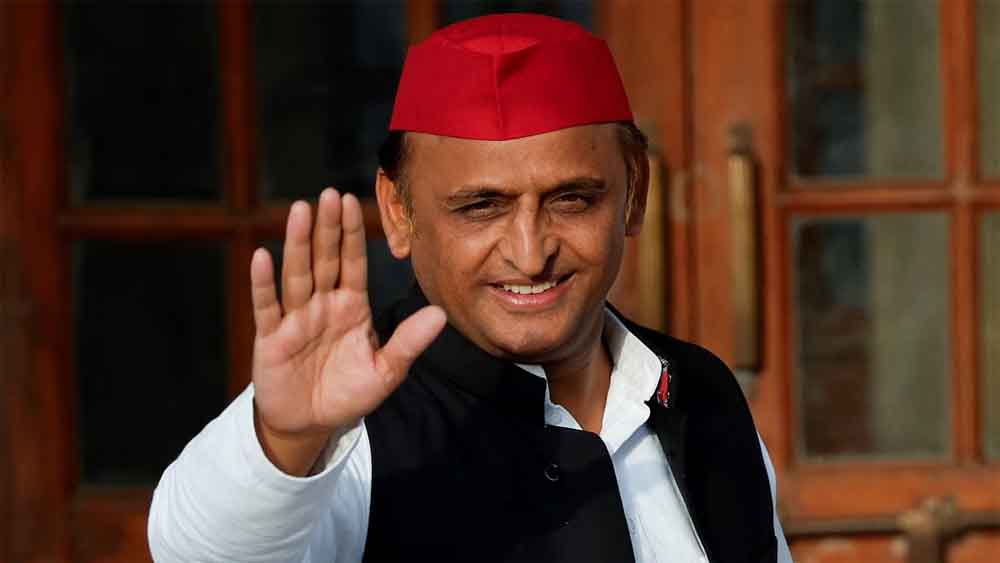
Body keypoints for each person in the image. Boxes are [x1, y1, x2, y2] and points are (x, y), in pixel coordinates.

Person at [149, 13, 793, 563]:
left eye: (571, 199)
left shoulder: (702, 394)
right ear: (398, 211)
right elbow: (197, 551)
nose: (530, 253)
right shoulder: (344, 427)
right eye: (481, 207)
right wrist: (286, 442)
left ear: (634, 194)